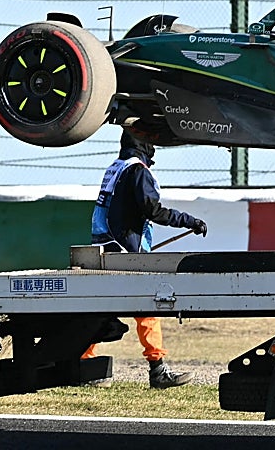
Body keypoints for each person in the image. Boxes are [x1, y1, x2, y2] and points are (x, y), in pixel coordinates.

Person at [82, 131, 208, 389]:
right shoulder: (138, 171)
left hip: (105, 247)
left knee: (100, 311)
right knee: (148, 310)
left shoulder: (115, 168)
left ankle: (86, 366)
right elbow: (153, 210)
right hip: (125, 252)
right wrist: (189, 221)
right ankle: (157, 370)